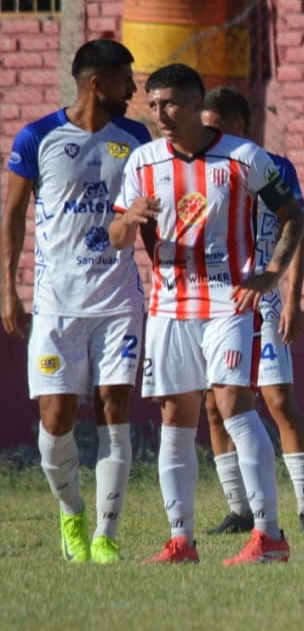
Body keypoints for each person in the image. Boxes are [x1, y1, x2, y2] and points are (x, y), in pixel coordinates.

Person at [109, 63, 304, 565]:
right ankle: (182, 541)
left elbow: (293, 216)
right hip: (168, 305)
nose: (161, 115)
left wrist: (271, 274)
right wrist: (129, 220)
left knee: (234, 404)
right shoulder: (143, 162)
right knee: (176, 418)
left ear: (197, 104)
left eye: (170, 103)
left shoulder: (243, 157)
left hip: (228, 303)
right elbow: (116, 237)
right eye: (154, 105)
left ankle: (269, 535)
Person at [1, 39, 149, 564]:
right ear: (97, 83)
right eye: (126, 80)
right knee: (56, 416)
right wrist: (8, 289)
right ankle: (71, 514)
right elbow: (13, 215)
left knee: (115, 406)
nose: (133, 89)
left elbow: (148, 214)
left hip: (118, 300)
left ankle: (106, 535)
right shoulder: (37, 136)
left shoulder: (136, 138)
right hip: (56, 304)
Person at [199, 87, 304, 535]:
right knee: (215, 405)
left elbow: (297, 230)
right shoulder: (201, 170)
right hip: (217, 301)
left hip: (265, 301)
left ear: (240, 126)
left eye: (217, 127)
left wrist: (293, 298)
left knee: (278, 400)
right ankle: (239, 510)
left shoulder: (275, 167)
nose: (209, 136)